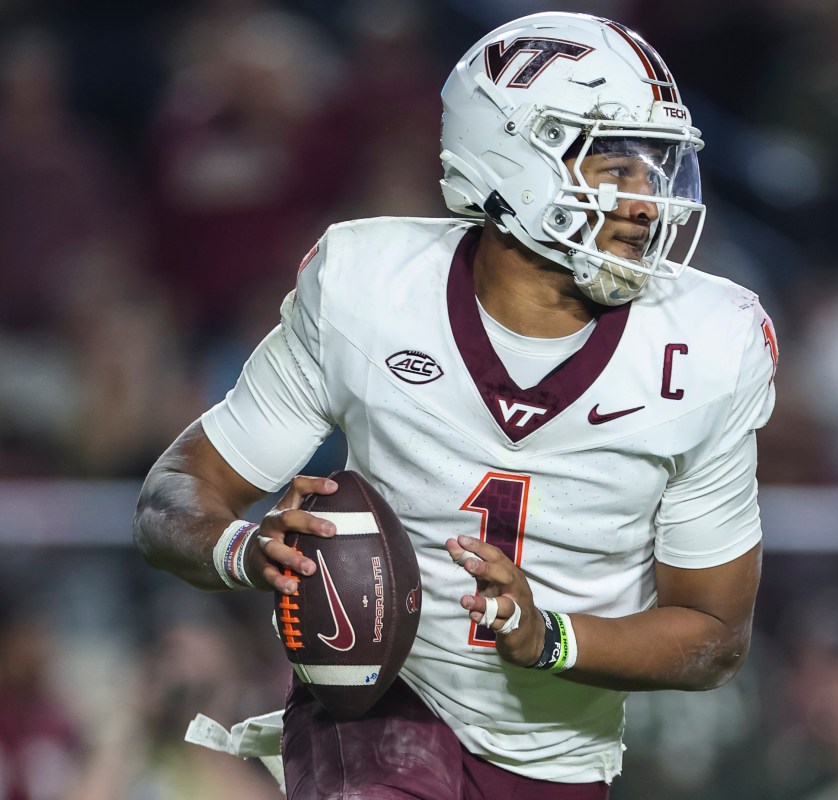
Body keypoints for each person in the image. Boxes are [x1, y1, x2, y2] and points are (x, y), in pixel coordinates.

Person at [133, 11, 777, 800]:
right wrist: (246, 549)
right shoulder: (368, 287)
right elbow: (173, 496)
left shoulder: (710, 344)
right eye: (616, 167)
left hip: (556, 757)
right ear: (512, 159)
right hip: (377, 704)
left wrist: (550, 638)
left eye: (655, 171)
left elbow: (714, 636)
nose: (646, 202)